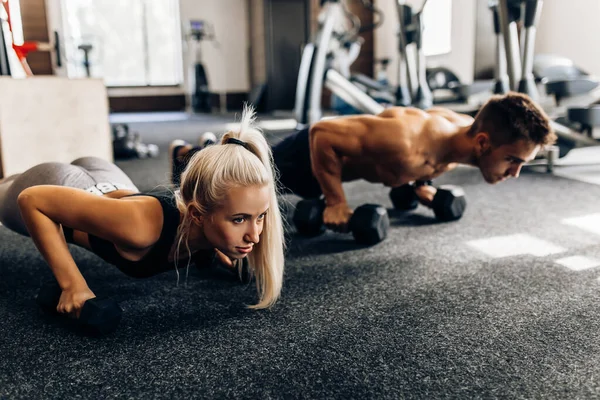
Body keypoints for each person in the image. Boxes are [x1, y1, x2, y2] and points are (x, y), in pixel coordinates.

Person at [0, 106, 284, 317]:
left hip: (107, 176)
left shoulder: (206, 223)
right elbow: (32, 200)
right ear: (198, 215)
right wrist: (72, 284)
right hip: (52, 182)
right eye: (239, 220)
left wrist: (219, 243)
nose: (255, 235)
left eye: (259, 217)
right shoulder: (140, 229)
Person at [172, 92, 557, 233]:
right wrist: (336, 201)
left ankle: (206, 149)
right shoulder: (406, 143)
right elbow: (322, 133)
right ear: (485, 142)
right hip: (304, 159)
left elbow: (426, 160)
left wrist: (417, 186)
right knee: (242, 177)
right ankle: (192, 155)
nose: (515, 172)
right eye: (513, 161)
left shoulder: (461, 134)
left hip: (355, 158)